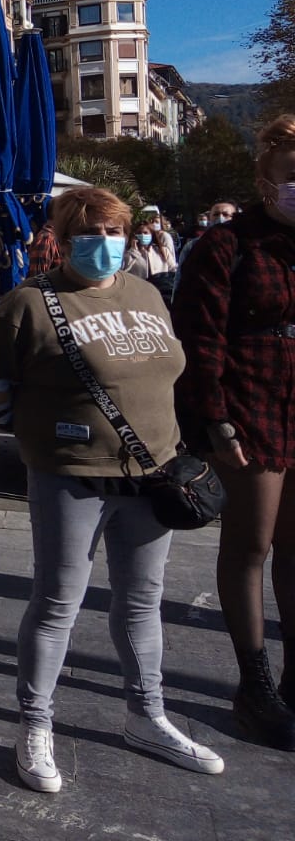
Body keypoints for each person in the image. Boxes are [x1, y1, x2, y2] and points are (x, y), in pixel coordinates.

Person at [0, 186, 225, 795]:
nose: (105, 244)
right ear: (62, 237)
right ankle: (34, 724)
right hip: (72, 477)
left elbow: (172, 367)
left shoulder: (145, 293)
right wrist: (46, 435)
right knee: (58, 602)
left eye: (115, 232)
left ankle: (147, 714)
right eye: (91, 233)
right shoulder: (28, 304)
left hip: (153, 475)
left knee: (142, 600)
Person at [173, 115, 295, 749]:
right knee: (253, 545)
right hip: (249, 405)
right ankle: (255, 684)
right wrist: (214, 419)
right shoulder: (228, 245)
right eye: (292, 174)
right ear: (266, 179)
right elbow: (200, 340)